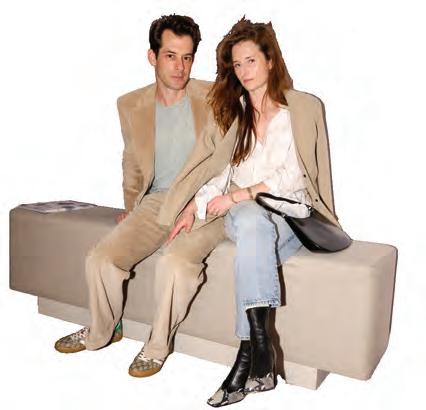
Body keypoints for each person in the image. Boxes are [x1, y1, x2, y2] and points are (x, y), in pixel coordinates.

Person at [168, 18, 340, 407]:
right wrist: (194, 207)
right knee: (249, 220)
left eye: (251, 61)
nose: (244, 71)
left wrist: (240, 194)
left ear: (270, 61)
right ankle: (262, 347)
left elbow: (293, 175)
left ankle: (248, 355)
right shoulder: (237, 113)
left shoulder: (299, 109)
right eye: (237, 64)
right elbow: (220, 173)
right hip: (247, 215)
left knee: (251, 233)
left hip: (290, 217)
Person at [54, 14, 229, 379]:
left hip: (204, 202)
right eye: (170, 56)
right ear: (152, 56)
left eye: (187, 57)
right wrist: (132, 207)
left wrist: (200, 204)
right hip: (156, 202)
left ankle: (157, 347)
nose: (180, 67)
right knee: (101, 259)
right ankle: (103, 330)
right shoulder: (130, 104)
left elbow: (230, 158)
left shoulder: (215, 98)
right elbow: (133, 161)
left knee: (175, 264)